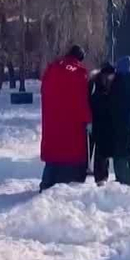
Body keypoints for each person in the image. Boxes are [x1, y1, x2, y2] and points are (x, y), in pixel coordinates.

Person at [39, 45, 92, 190]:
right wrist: (88, 119)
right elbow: (82, 101)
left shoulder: (52, 69)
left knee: (53, 156)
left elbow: (43, 91)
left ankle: (47, 183)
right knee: (71, 155)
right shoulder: (80, 74)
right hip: (71, 125)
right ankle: (68, 186)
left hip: (52, 122)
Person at [90, 57, 130, 186]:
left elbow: (107, 107)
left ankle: (122, 187)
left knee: (119, 162)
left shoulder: (116, 88)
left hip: (115, 132)